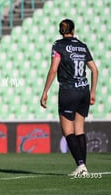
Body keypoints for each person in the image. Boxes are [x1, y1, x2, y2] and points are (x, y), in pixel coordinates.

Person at [40, 19, 98, 177]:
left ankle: (81, 164)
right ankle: (83, 167)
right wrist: (92, 92)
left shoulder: (58, 46)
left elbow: (53, 69)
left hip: (68, 91)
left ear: (61, 31)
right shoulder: (82, 46)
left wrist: (45, 91)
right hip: (84, 90)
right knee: (79, 129)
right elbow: (94, 70)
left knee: (68, 130)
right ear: (73, 29)